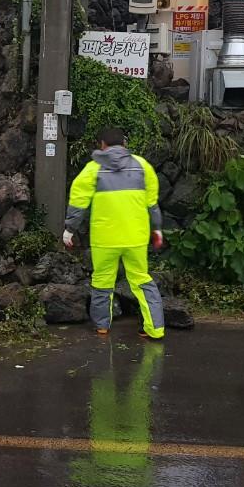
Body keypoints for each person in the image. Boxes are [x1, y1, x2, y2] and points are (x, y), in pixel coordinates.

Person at [63, 126, 166, 340]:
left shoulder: (93, 169)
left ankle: (102, 327)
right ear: (125, 144)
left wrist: (69, 230)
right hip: (135, 237)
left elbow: (78, 203)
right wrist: (157, 229)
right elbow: (152, 203)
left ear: (102, 145)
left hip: (105, 238)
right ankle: (155, 329)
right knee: (141, 280)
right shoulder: (142, 166)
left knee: (102, 281)